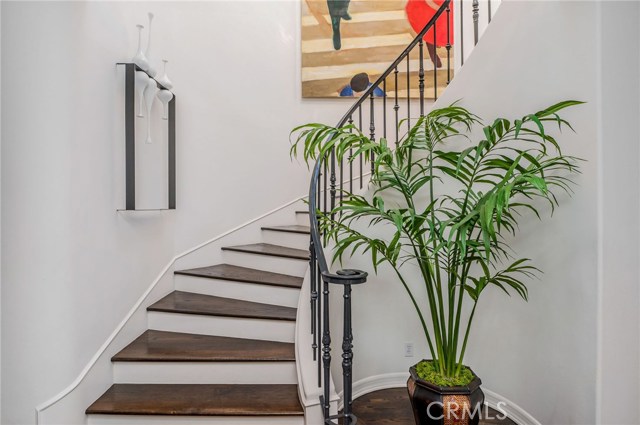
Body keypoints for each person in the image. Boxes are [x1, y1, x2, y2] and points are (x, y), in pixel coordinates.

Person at [405, 0, 454, 68]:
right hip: (428, 8)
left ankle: (441, 41)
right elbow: (429, 1)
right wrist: (441, 9)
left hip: (444, 6)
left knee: (446, 26)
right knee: (429, 32)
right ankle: (433, 56)